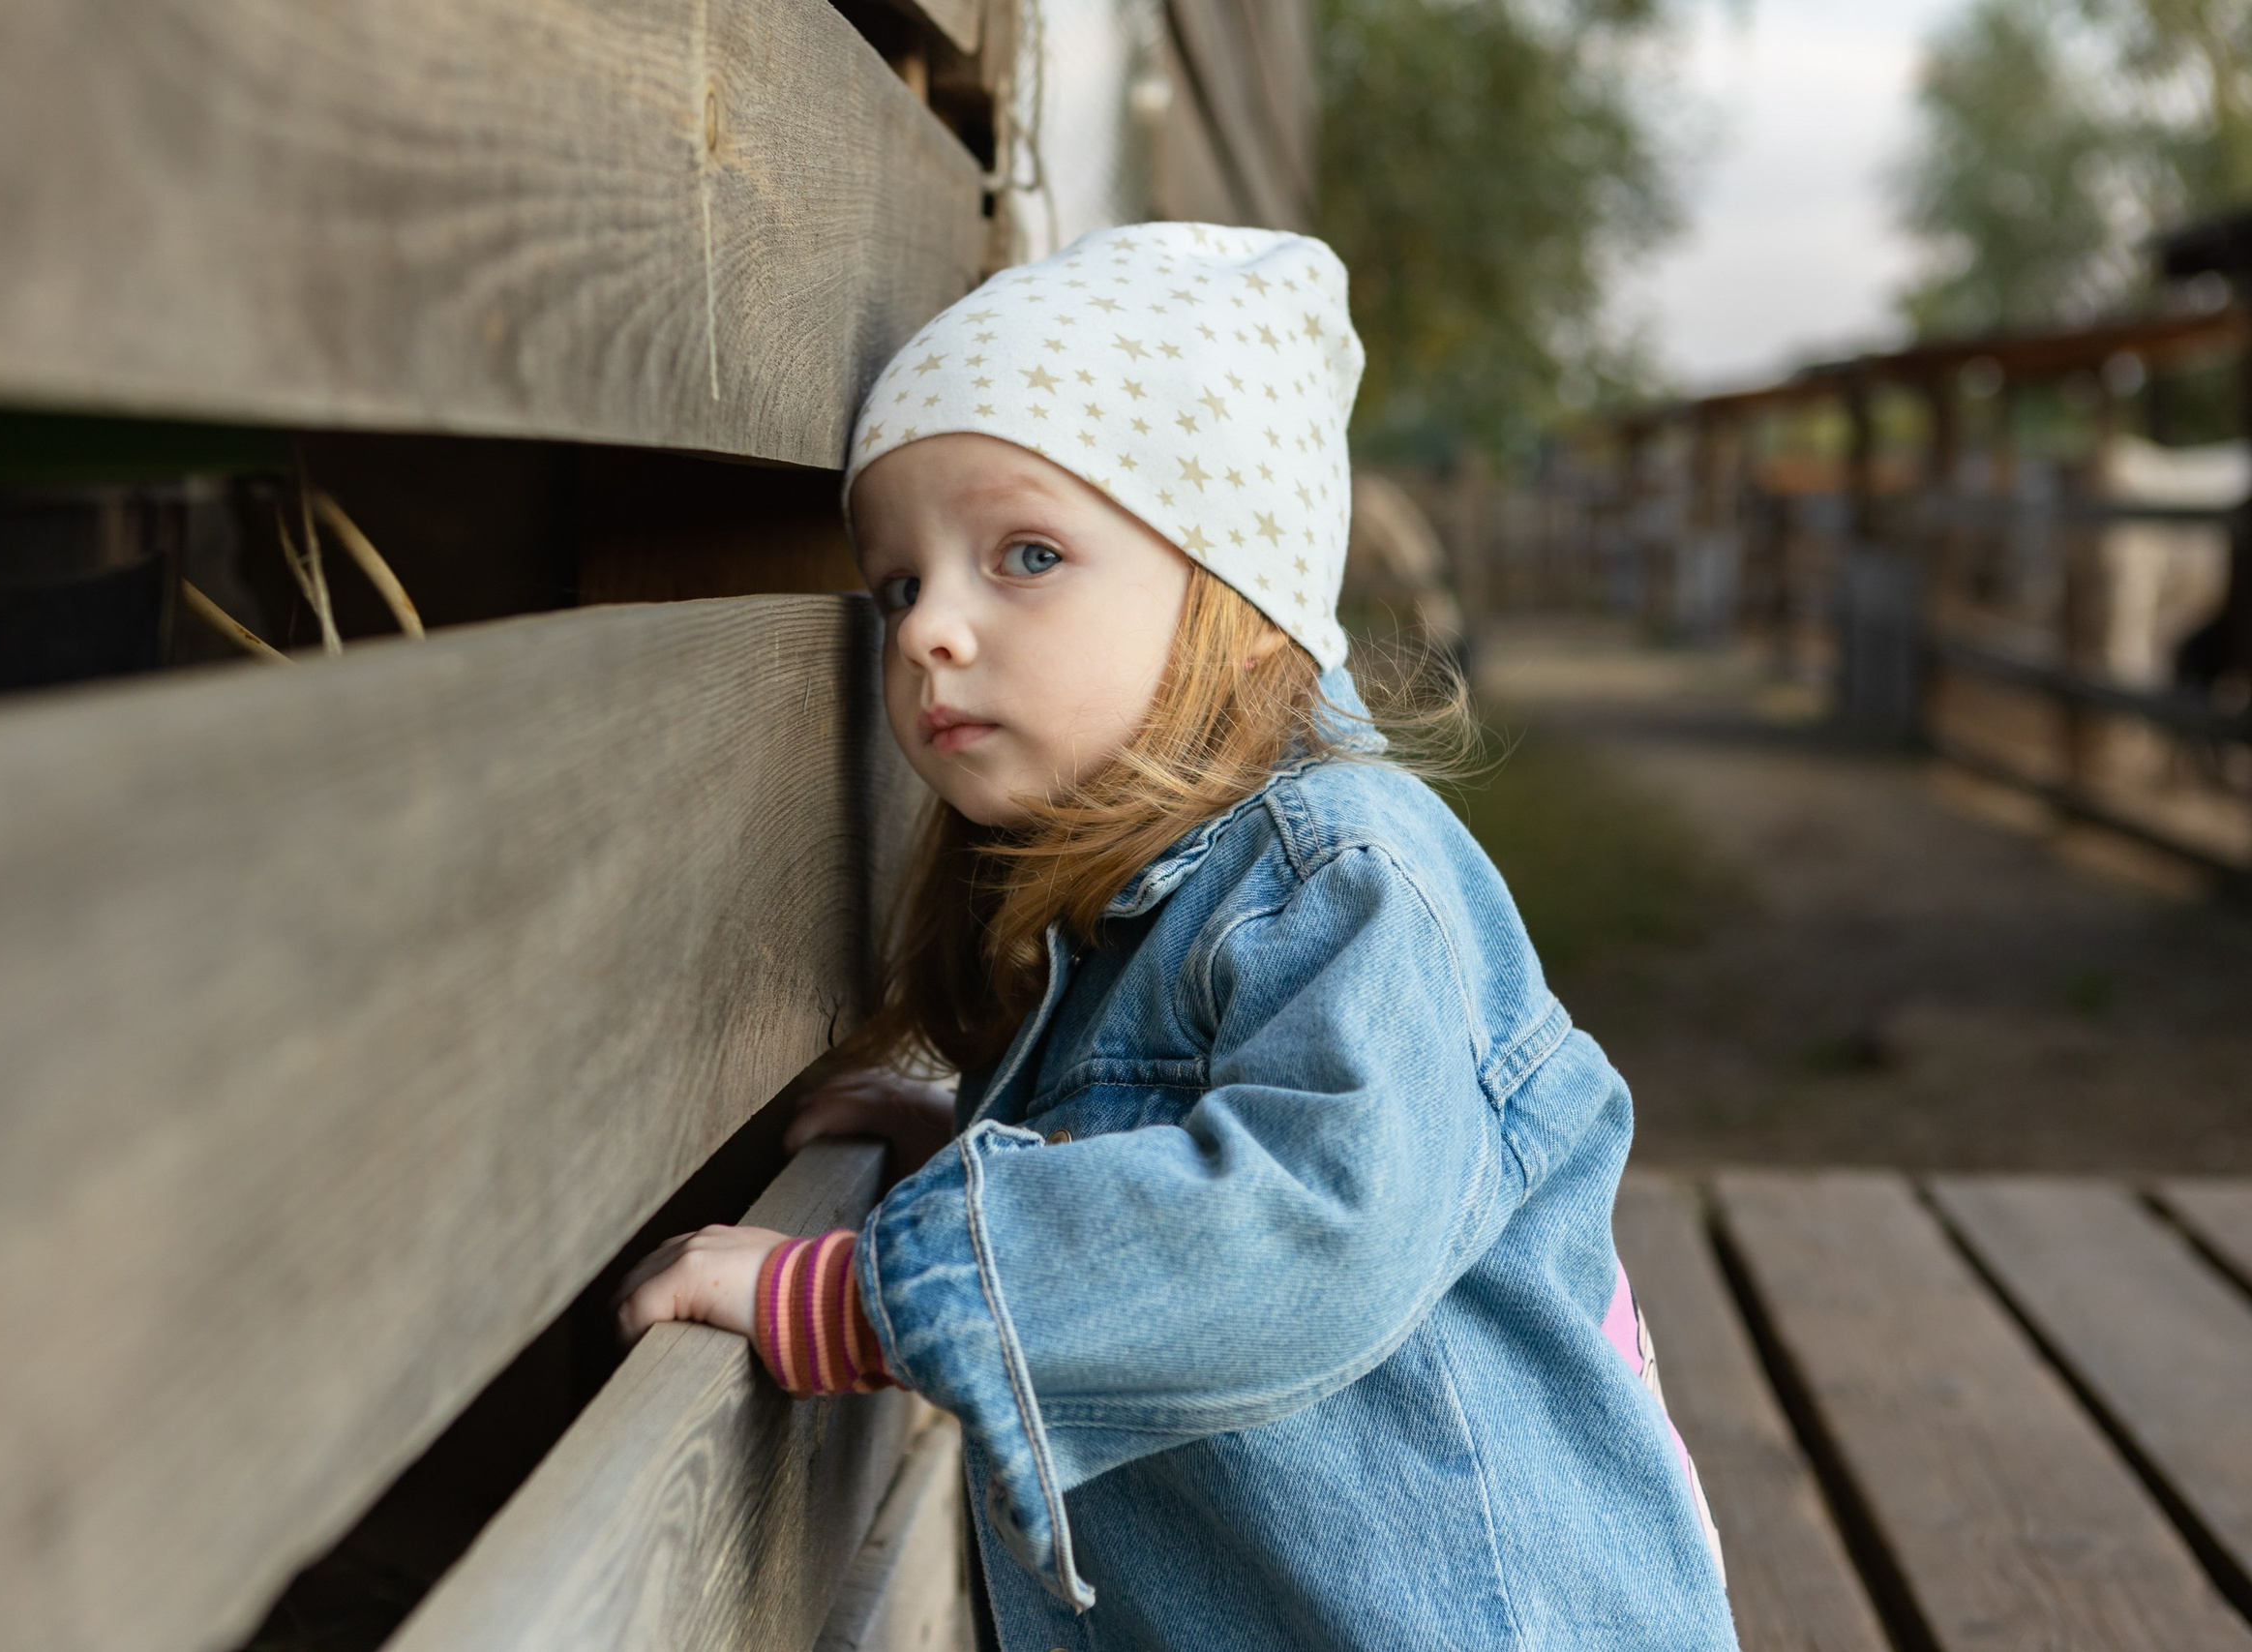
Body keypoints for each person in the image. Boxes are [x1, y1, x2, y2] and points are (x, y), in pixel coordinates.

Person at [614, 223, 1734, 1652]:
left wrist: (875, 1293)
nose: (926, 631)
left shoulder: (1348, 874)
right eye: (898, 582)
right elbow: (1167, 1131)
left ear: (1231, 586)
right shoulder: (1156, 899)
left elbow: (1307, 1224)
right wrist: (968, 1141)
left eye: (1024, 554)